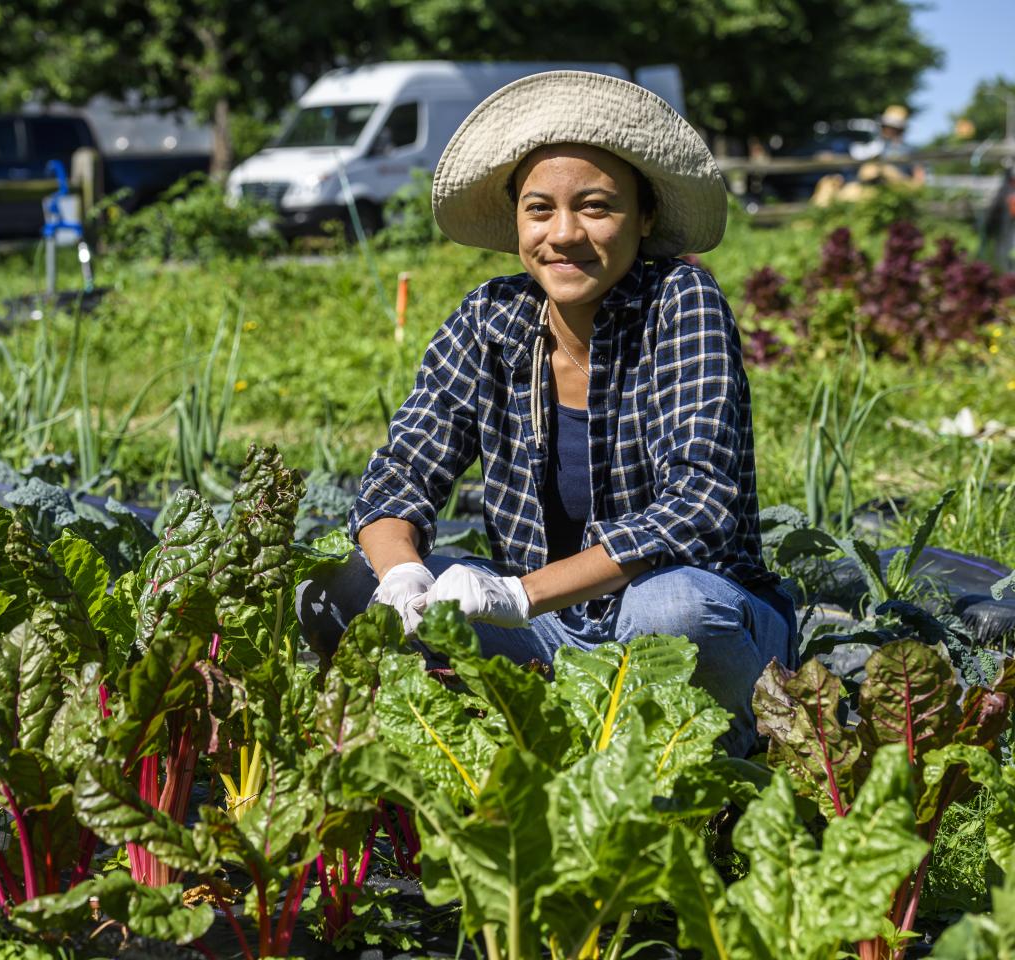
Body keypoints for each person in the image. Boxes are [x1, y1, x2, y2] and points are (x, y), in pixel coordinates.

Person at [297, 71, 795, 757]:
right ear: (515, 221)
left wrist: (519, 595)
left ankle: (727, 753)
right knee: (346, 588)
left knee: (669, 610)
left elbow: (700, 508)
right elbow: (401, 476)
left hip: (687, 622)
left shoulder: (681, 302)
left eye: (594, 207)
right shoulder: (490, 318)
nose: (564, 235)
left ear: (644, 217)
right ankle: (515, 754)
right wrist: (403, 576)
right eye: (539, 210)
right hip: (553, 632)